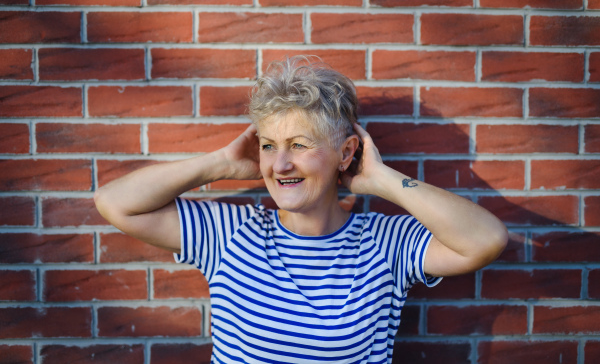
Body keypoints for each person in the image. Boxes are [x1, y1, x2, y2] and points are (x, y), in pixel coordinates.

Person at [94, 56, 508, 363]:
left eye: (299, 144)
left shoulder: (385, 243)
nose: (280, 164)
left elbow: (485, 240)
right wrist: (220, 163)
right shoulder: (229, 233)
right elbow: (115, 203)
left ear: (346, 153)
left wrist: (380, 179)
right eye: (269, 146)